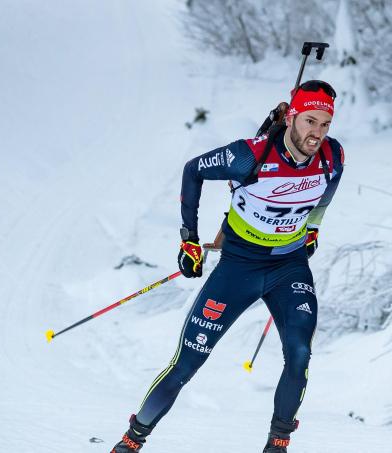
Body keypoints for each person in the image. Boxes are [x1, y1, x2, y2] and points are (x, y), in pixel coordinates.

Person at [111, 80, 344, 453]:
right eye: (310, 122)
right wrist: (189, 237)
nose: (317, 133)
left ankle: (277, 444)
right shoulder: (249, 155)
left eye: (325, 124)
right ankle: (132, 440)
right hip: (239, 266)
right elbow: (193, 170)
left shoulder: (333, 157)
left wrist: (312, 228)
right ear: (293, 117)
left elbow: (326, 193)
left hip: (290, 267)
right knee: (188, 362)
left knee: (299, 353)